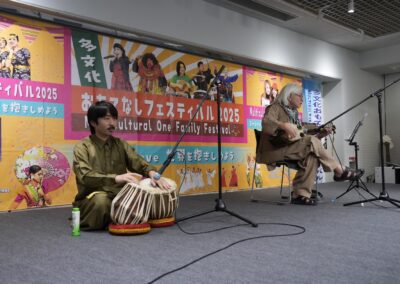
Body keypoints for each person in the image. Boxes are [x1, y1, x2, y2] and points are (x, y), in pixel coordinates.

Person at [256, 83, 364, 205]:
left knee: (312, 154)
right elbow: (266, 123)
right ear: (289, 96)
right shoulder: (275, 108)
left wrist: (321, 132)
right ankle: (339, 170)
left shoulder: (293, 113)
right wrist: (283, 125)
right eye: (300, 96)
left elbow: (303, 134)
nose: (302, 99)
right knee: (312, 142)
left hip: (288, 148)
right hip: (274, 150)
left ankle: (299, 194)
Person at [72, 101, 171, 230]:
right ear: (93, 122)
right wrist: (116, 178)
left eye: (114, 118)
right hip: (93, 197)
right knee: (101, 202)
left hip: (121, 194)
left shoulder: (120, 144)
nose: (112, 123)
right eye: (107, 118)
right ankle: (115, 216)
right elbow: (84, 176)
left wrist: (151, 173)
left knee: (152, 189)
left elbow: (138, 162)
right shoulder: (82, 147)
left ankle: (122, 215)